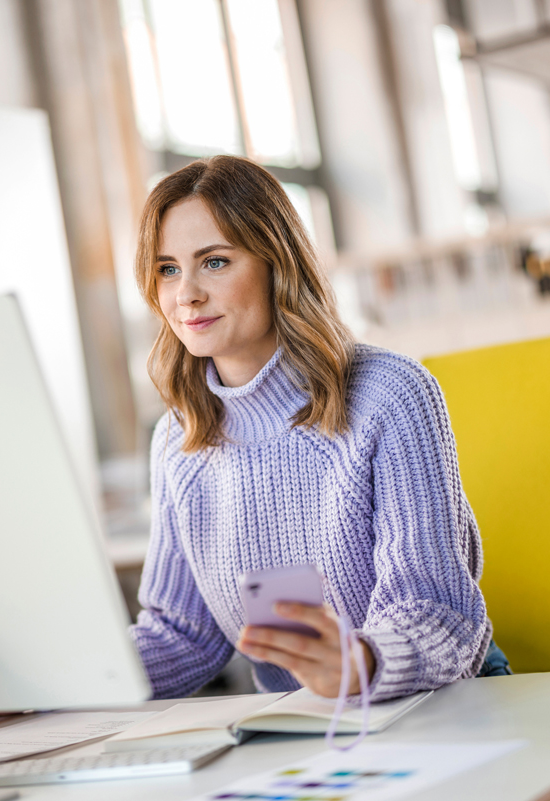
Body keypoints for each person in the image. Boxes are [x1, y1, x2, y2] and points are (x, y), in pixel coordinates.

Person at [127, 155, 504, 702]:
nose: (185, 293)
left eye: (213, 262)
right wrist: (42, 688)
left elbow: (439, 613)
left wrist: (357, 662)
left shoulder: (388, 396)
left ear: (277, 265)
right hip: (302, 727)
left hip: (435, 700)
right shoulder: (178, 439)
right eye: (166, 269)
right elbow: (182, 637)